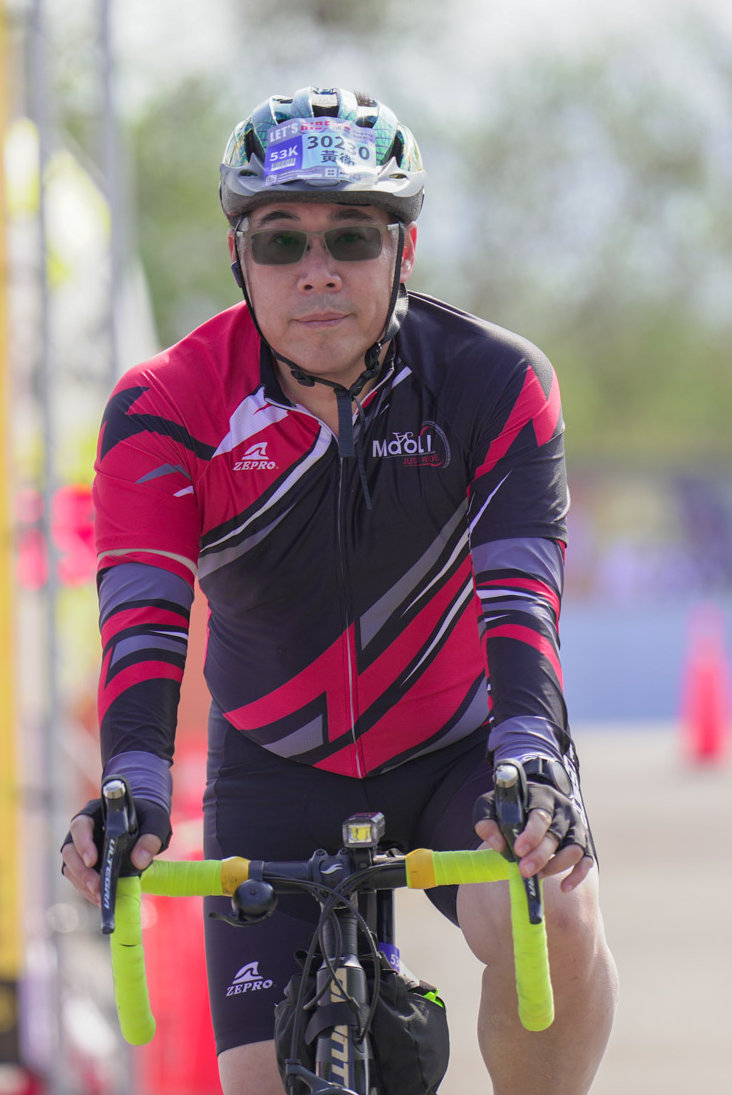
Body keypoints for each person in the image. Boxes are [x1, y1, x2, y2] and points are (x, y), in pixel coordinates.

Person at [60, 87, 618, 1094]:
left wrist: (531, 753)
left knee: (556, 910)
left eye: (351, 236)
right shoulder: (165, 407)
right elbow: (141, 620)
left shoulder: (494, 382)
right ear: (239, 258)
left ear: (403, 251)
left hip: (459, 751)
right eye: (280, 241)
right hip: (274, 770)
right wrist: (131, 777)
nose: (315, 270)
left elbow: (521, 601)